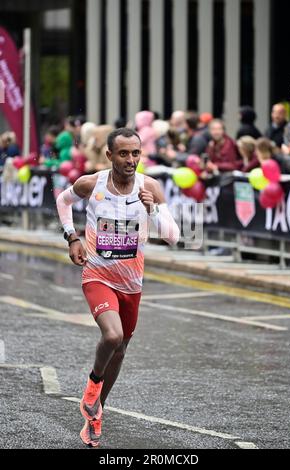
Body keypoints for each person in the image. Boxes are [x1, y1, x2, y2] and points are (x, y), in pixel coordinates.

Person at [56, 127, 180, 447]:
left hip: (131, 283)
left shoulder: (149, 187)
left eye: (135, 153)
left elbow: (173, 236)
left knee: (121, 350)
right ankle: (93, 386)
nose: (130, 160)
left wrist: (152, 208)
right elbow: (62, 200)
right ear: (110, 155)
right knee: (112, 336)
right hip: (98, 275)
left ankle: (96, 413)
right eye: (123, 153)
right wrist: (72, 237)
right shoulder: (91, 183)